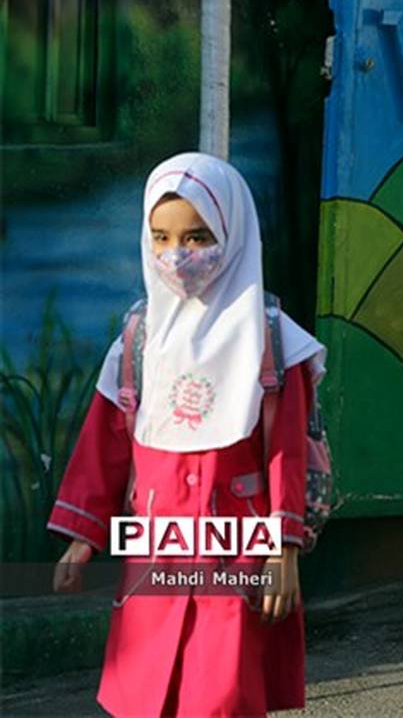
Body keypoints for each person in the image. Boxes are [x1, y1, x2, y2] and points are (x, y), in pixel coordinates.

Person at [47, 153, 325, 716]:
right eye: (162, 237)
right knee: (148, 692)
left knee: (222, 695)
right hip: (157, 546)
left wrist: (283, 549)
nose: (178, 255)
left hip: (239, 551)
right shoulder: (139, 340)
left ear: (232, 232)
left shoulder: (272, 341)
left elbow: (287, 452)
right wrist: (83, 536)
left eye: (197, 236)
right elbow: (106, 442)